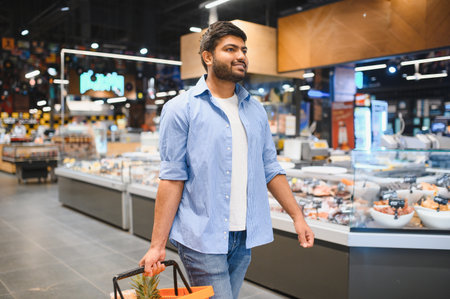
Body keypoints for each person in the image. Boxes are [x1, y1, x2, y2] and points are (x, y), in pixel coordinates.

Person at [140, 21, 314, 299]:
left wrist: (298, 216)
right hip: (201, 237)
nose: (241, 56)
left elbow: (270, 168)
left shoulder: (255, 110)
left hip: (244, 236)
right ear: (207, 57)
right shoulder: (181, 108)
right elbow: (172, 178)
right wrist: (156, 245)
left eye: (243, 50)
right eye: (230, 49)